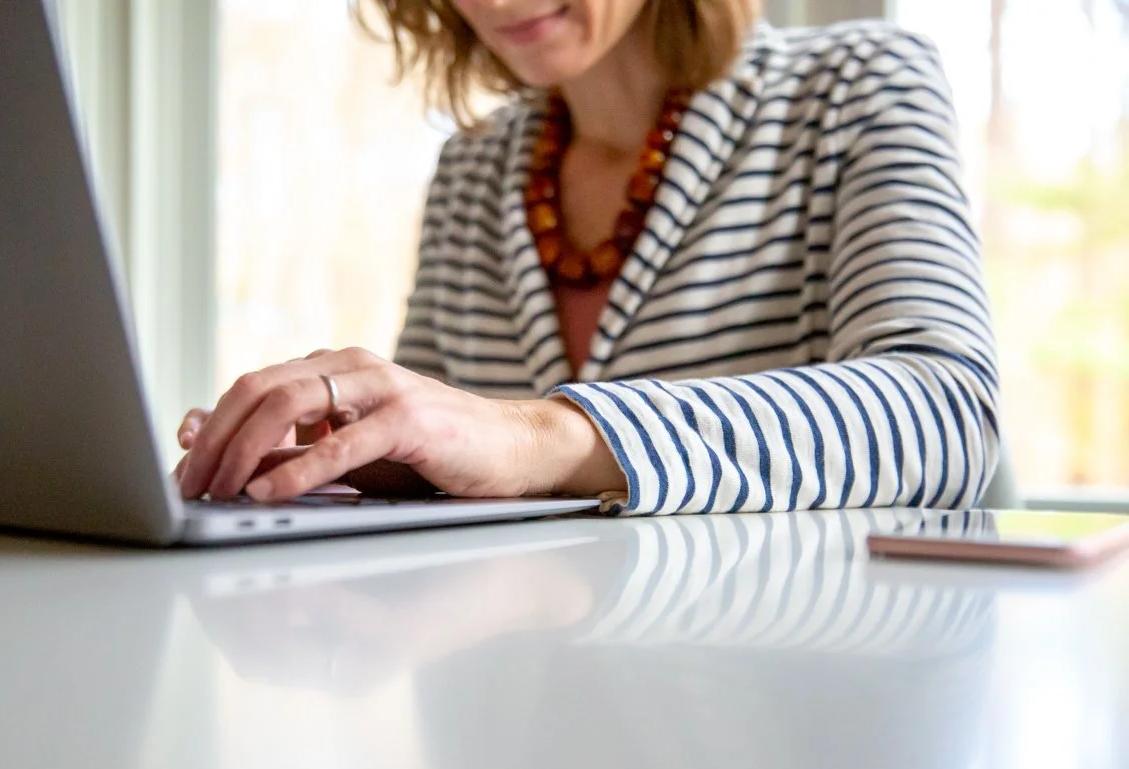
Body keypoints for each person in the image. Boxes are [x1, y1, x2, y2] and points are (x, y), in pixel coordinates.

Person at [176, 0, 1000, 517]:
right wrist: (363, 458)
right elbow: (446, 441)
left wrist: (543, 435)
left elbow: (947, 414)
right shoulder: (473, 170)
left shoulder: (859, 87)